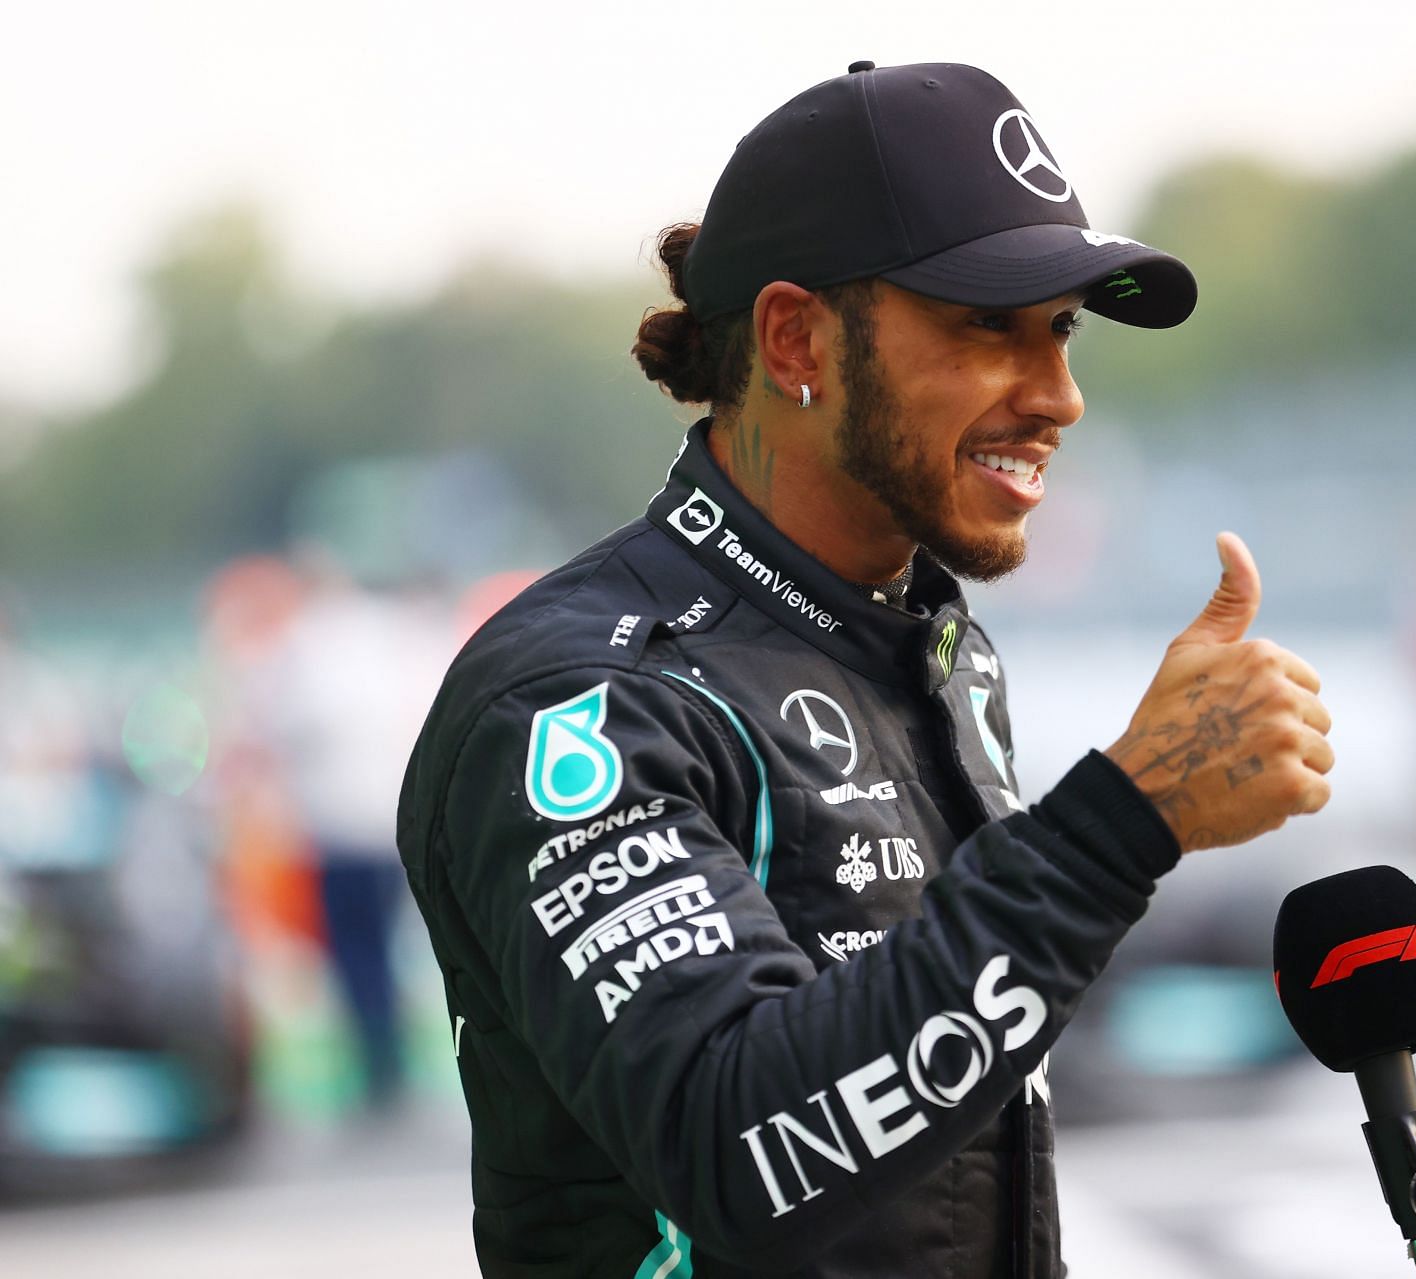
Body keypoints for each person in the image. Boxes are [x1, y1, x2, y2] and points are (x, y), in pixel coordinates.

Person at [398, 61, 1334, 1278]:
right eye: (988, 324)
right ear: (797, 337)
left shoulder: (933, 644)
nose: (1060, 394)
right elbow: (737, 1144)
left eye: (1060, 329)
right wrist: (1125, 817)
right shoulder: (579, 700)